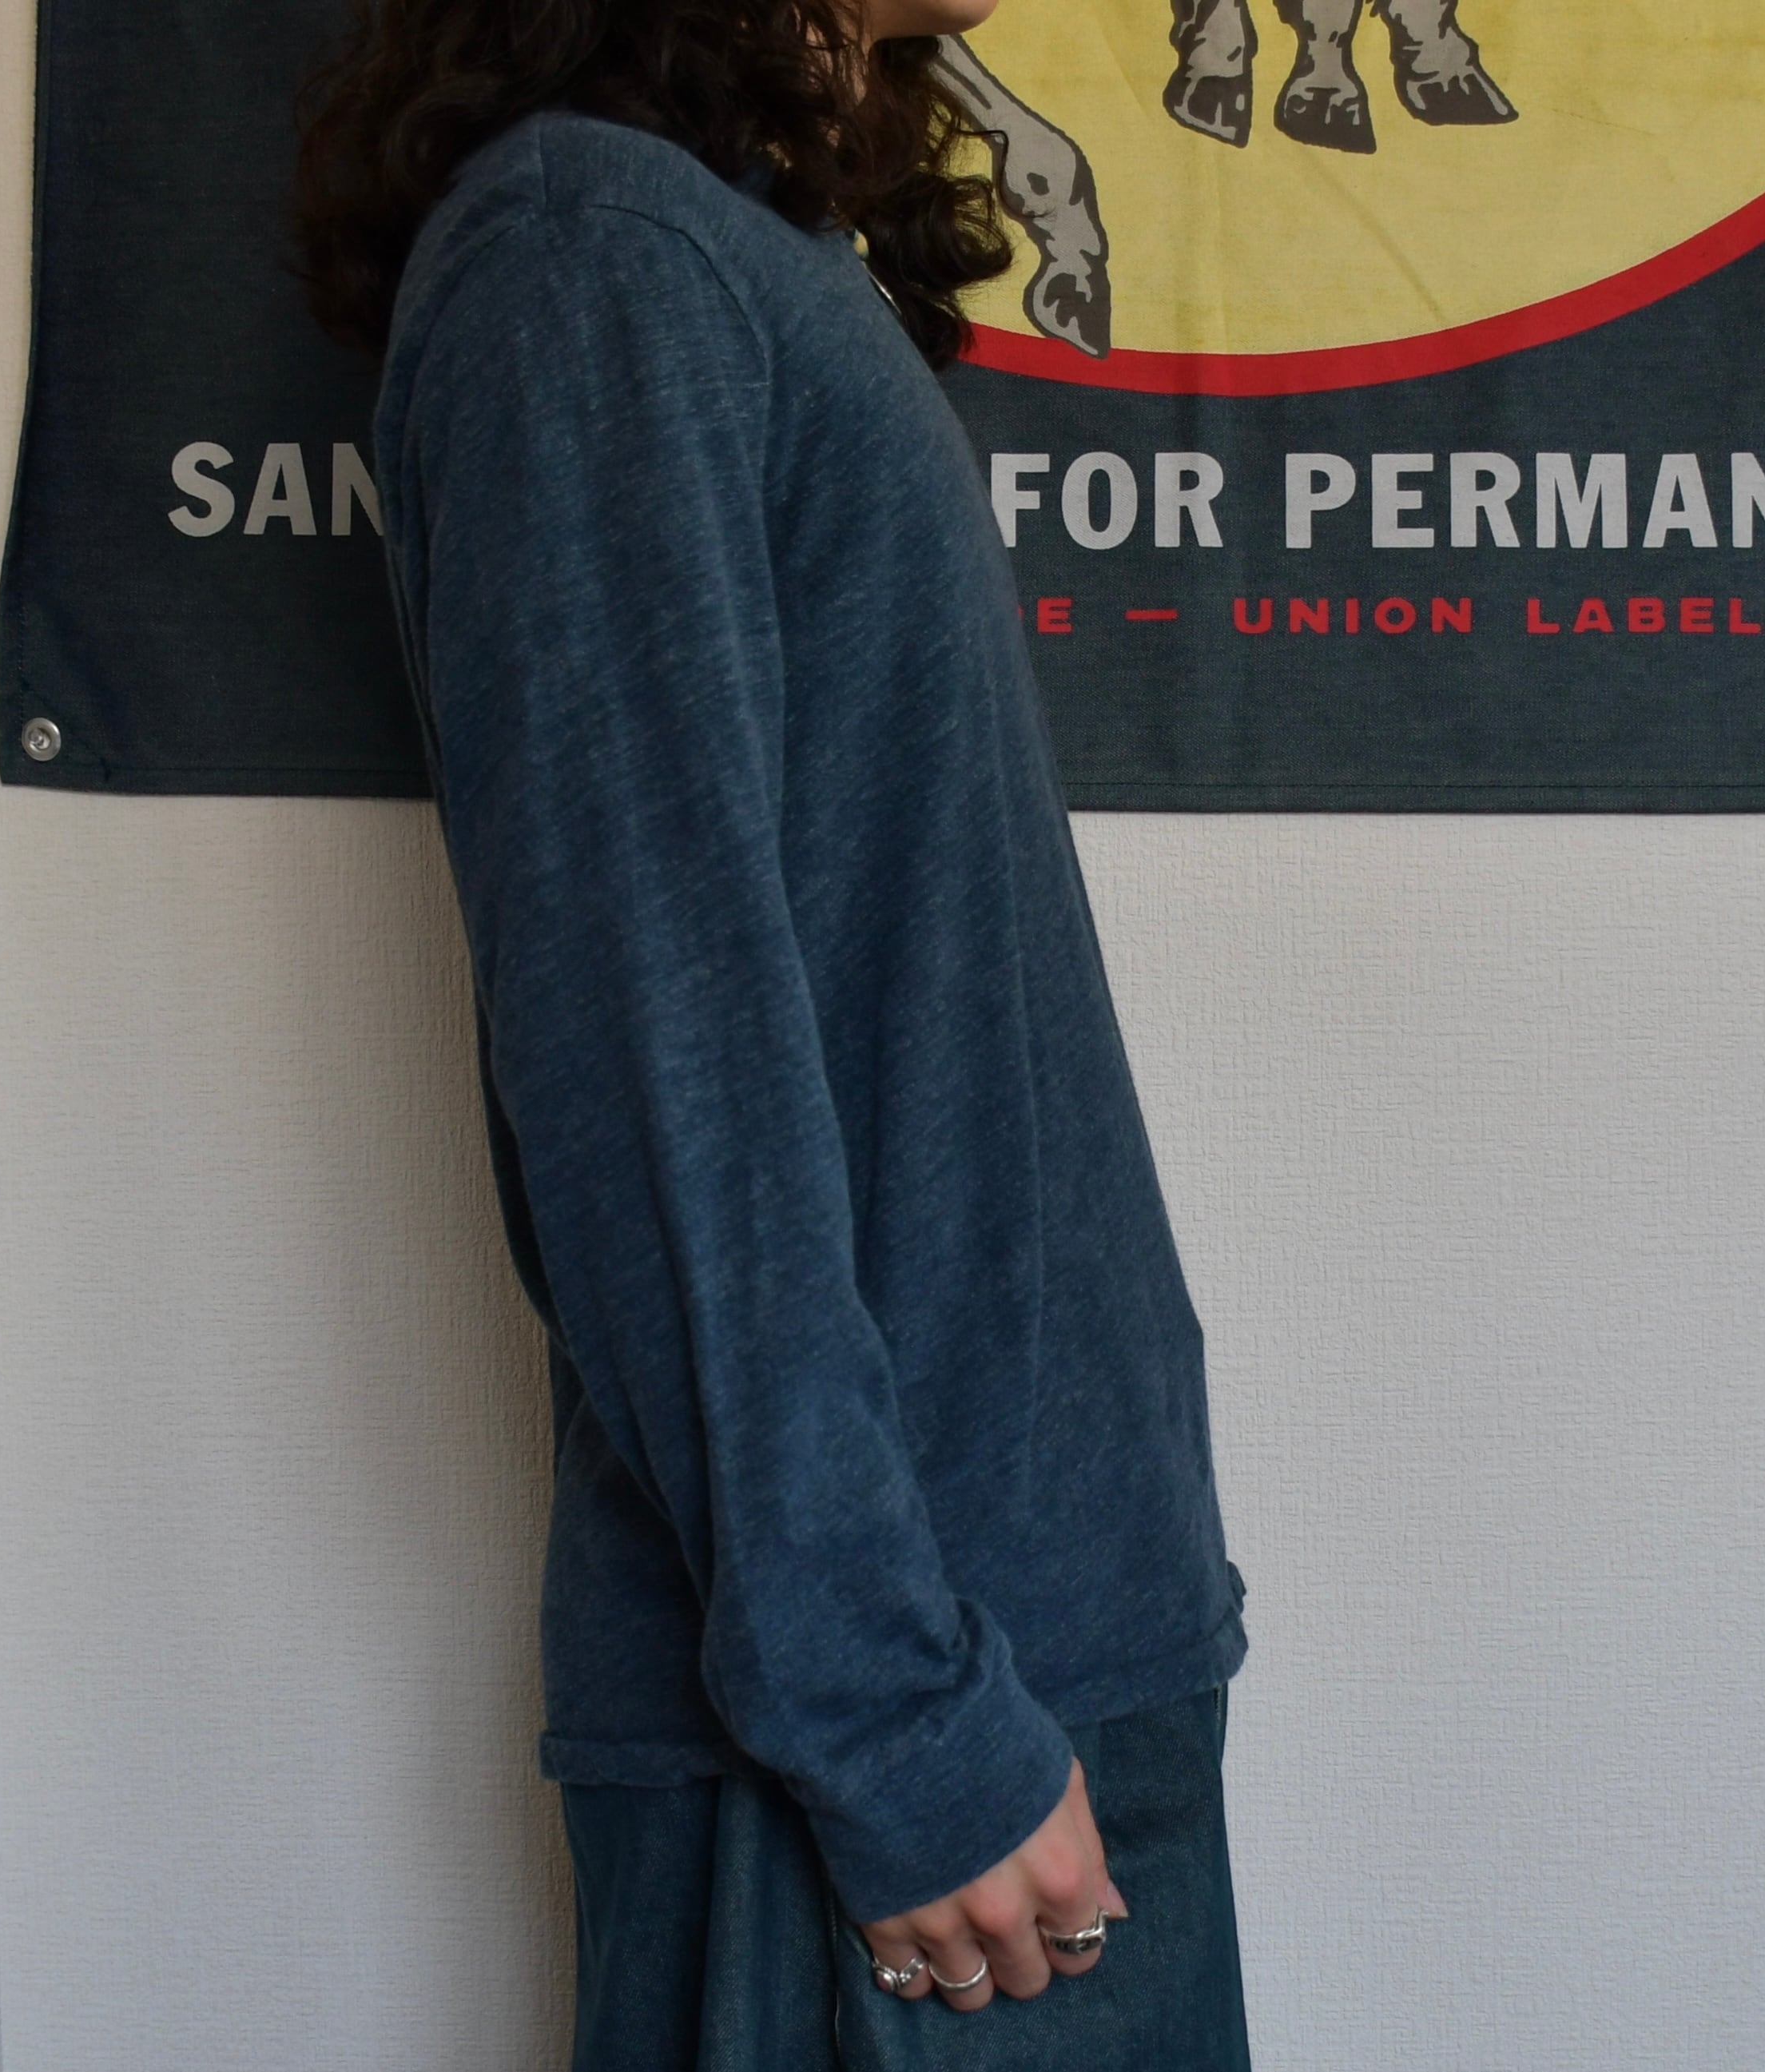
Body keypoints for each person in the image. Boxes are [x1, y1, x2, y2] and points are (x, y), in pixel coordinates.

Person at [294, 2, 1250, 2062]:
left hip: (1011, 1656)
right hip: (901, 1749)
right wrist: (896, 1721)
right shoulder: (590, 255)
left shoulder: (719, 247)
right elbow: (655, 1066)